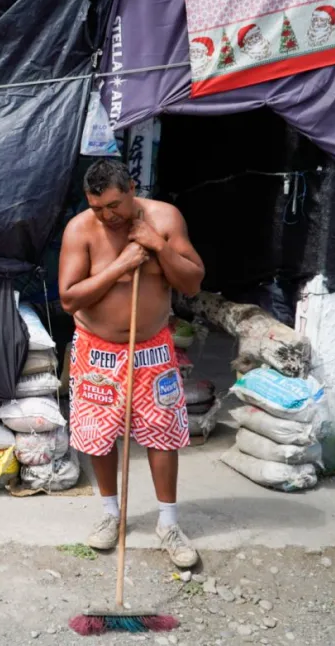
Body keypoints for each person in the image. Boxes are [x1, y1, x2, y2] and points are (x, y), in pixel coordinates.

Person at [58, 159, 205, 568]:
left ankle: (168, 523)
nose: (107, 216)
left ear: (132, 188)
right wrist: (122, 265)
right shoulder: (80, 230)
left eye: (115, 205)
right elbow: (69, 298)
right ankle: (110, 514)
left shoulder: (165, 217)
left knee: (162, 433)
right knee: (99, 434)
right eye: (97, 207)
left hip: (153, 346)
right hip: (97, 348)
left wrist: (156, 246)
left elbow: (192, 282)